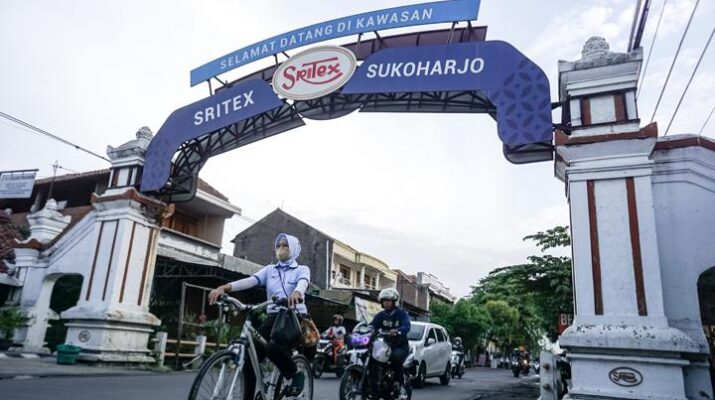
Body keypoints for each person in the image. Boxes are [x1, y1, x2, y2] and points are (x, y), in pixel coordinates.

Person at [209, 233, 310, 397]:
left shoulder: (301, 269)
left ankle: (296, 374)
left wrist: (297, 292)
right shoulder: (270, 270)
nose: (281, 248)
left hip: (292, 317)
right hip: (273, 317)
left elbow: (303, 282)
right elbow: (250, 280)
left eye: (285, 245)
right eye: (278, 245)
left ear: (293, 248)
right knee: (250, 358)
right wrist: (224, 288)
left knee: (273, 348)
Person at [369, 288, 411, 400]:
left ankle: (400, 386)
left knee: (395, 358)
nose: (386, 303)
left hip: (400, 346)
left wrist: (398, 330)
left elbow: (407, 326)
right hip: (385, 345)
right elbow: (372, 325)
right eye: (384, 300)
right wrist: (368, 330)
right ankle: (374, 384)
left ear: (394, 302)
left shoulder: (401, 314)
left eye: (389, 300)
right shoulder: (380, 315)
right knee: (371, 356)